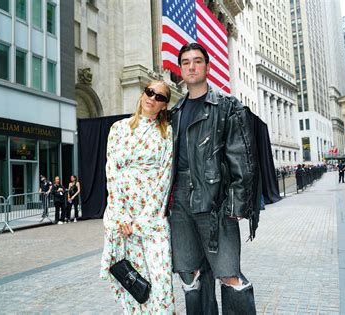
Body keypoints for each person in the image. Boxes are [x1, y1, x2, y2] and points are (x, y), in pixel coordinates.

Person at [167, 43, 260, 314]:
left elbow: (242, 158)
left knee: (228, 274)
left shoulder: (227, 106)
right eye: (186, 62)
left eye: (197, 61)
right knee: (189, 273)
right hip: (180, 201)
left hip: (215, 200)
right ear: (180, 69)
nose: (192, 66)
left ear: (207, 66)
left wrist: (238, 203)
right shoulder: (174, 113)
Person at [100, 80, 175, 314]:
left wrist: (142, 221)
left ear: (164, 105)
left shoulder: (166, 133)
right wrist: (121, 217)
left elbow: (165, 177)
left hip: (151, 219)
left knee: (160, 279)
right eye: (149, 92)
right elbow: (111, 172)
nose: (151, 98)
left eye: (159, 97)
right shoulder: (118, 128)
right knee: (134, 283)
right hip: (123, 217)